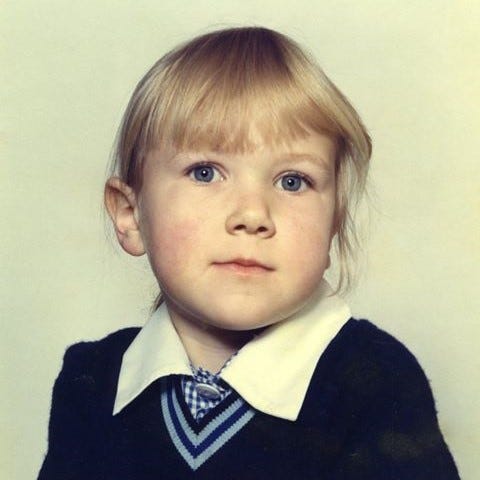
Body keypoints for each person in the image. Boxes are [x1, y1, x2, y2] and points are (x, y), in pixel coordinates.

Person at [38, 27, 459, 479]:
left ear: (334, 223)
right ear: (130, 215)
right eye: (205, 172)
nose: (253, 214)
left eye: (292, 181)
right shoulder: (93, 381)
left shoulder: (374, 382)